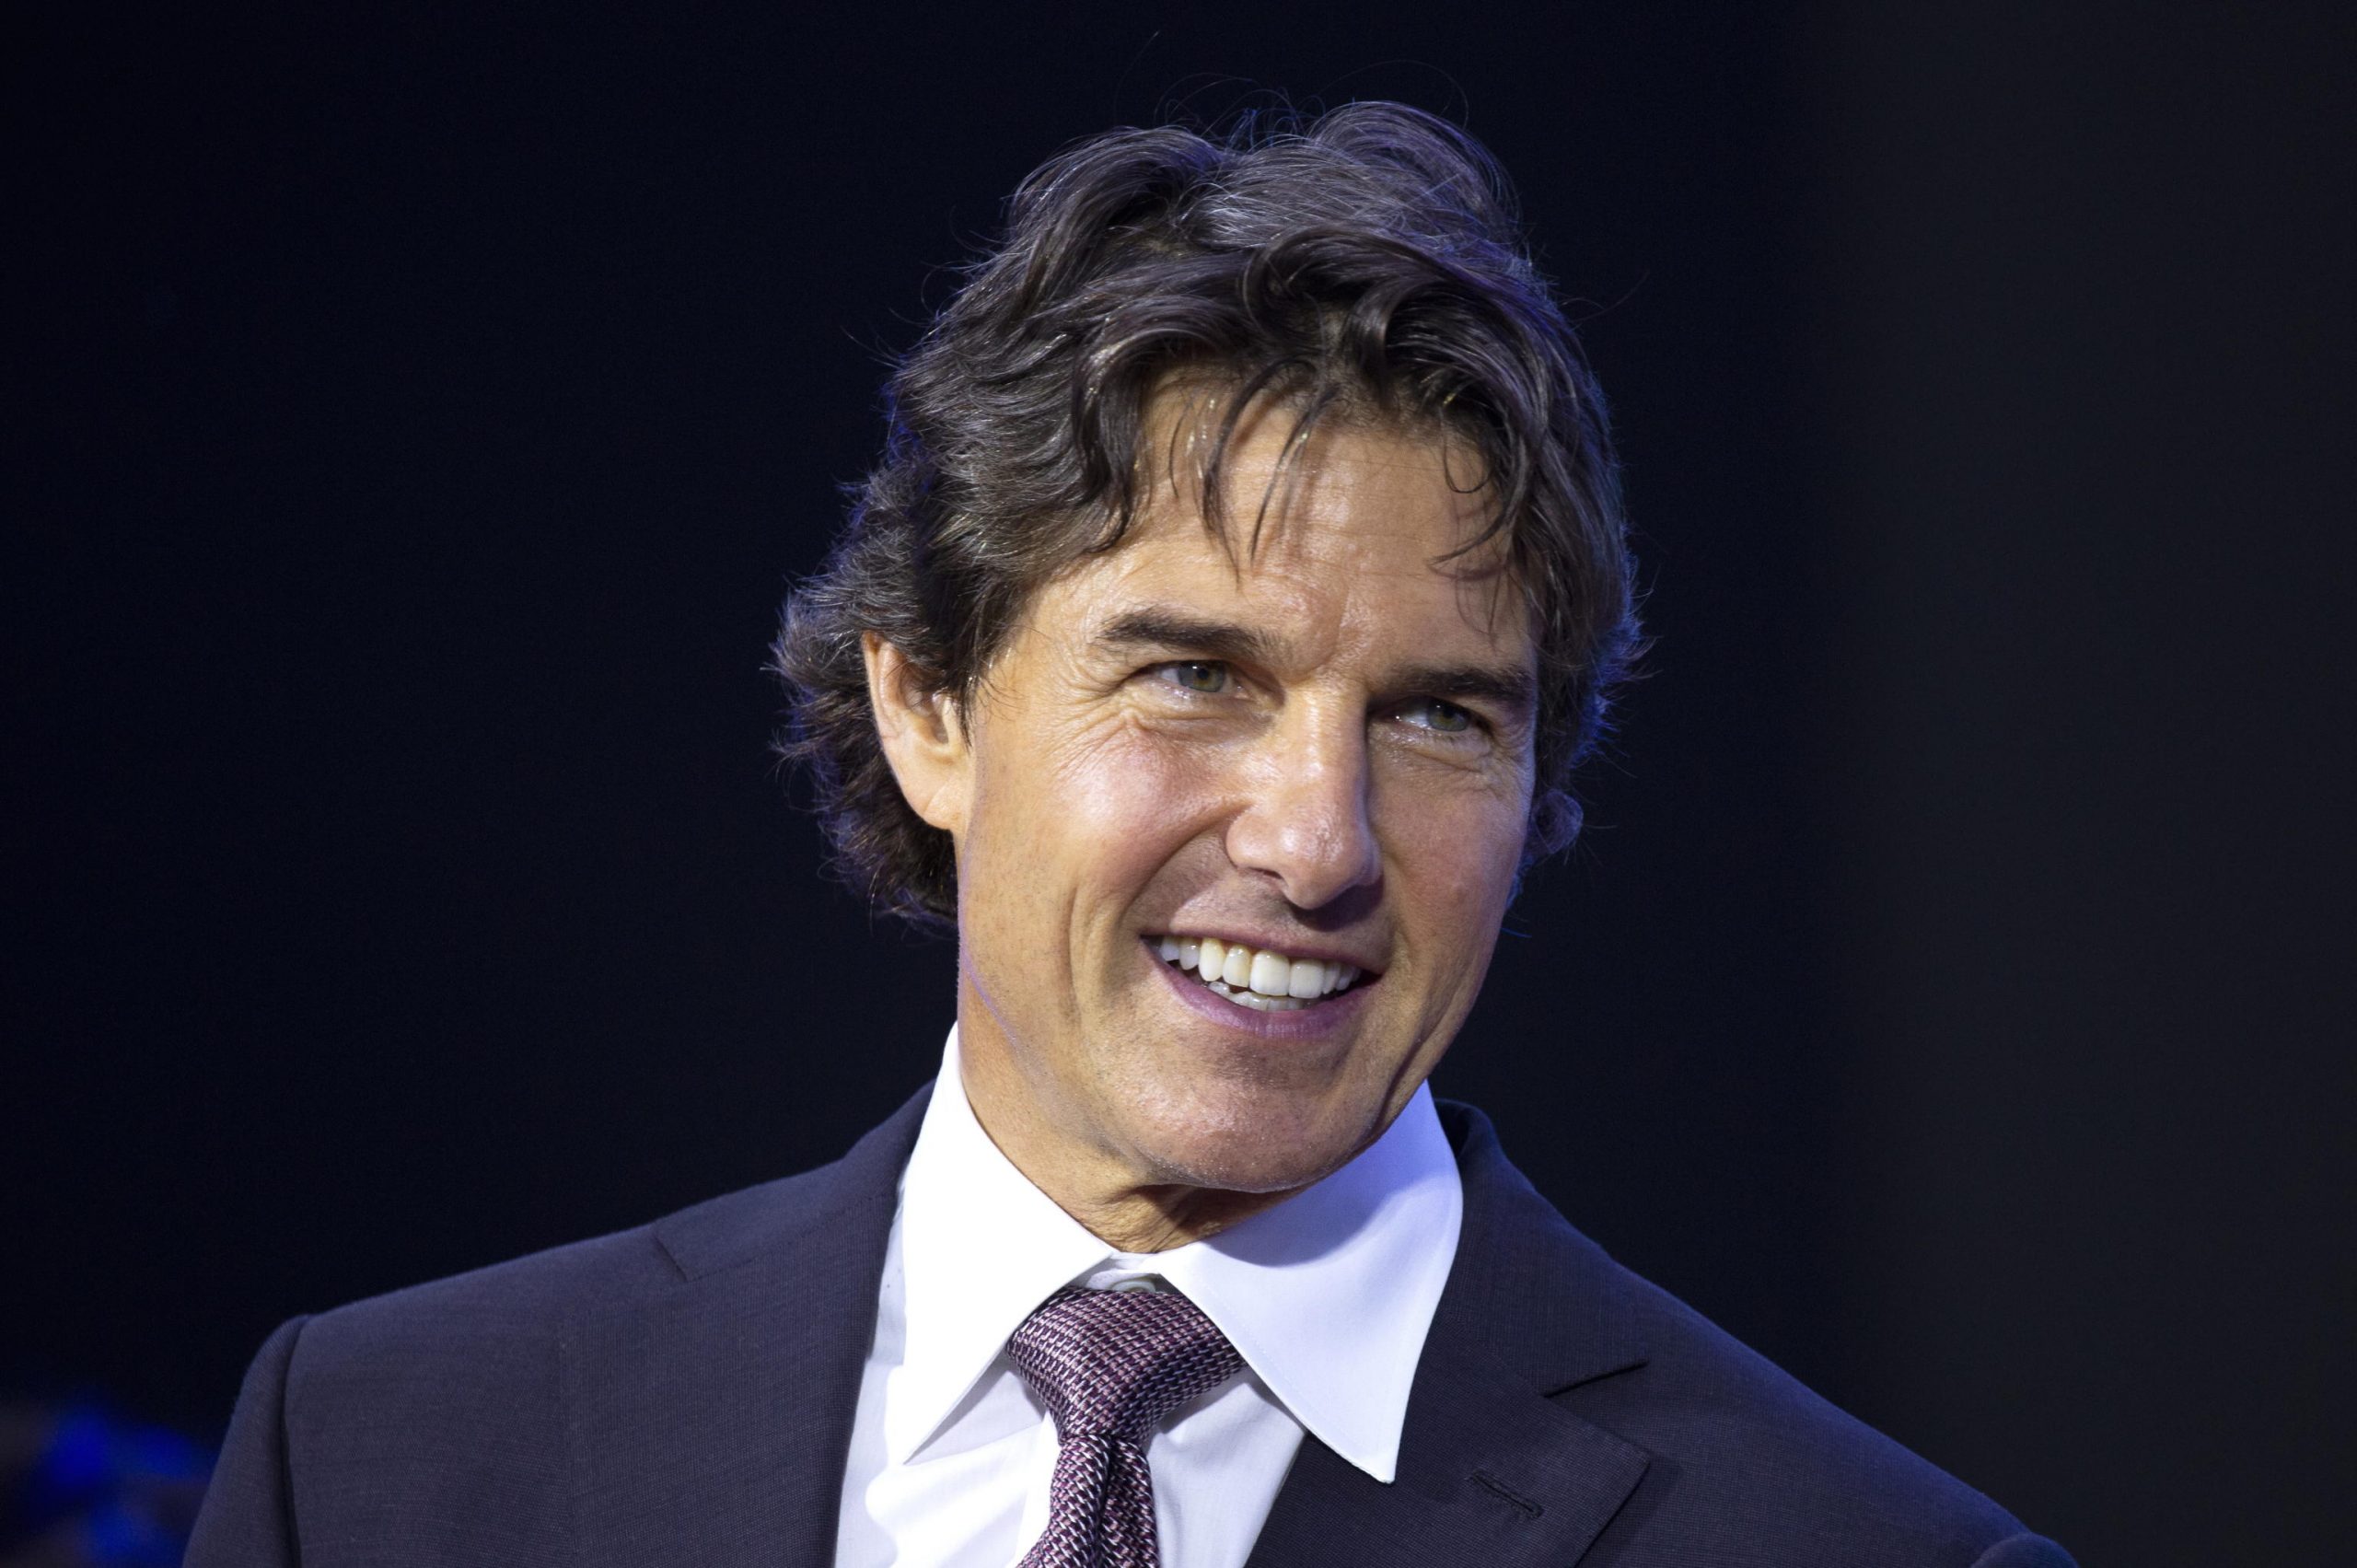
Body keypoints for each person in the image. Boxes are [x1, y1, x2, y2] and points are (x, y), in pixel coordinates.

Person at [187, 103, 2073, 1567]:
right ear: (927, 704)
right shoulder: (381, 1460)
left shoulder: (1852, 1551)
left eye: (1436, 717)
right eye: (1192, 677)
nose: (1317, 843)